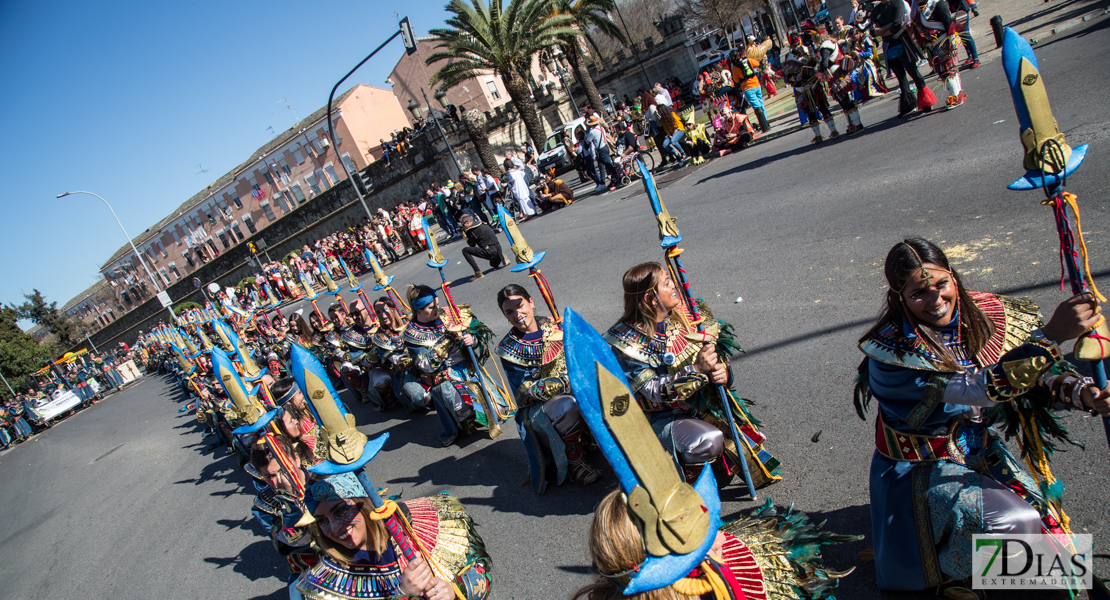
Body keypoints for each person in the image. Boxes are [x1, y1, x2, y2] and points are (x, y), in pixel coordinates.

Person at [855, 238, 1110, 593]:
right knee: (1012, 519)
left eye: (941, 285)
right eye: (918, 294)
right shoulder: (892, 354)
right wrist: (1049, 337)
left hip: (979, 451)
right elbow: (980, 388)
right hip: (921, 469)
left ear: (953, 279)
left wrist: (1083, 392)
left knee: (1041, 513)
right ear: (900, 298)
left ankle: (1033, 586)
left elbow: (1038, 378)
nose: (935, 301)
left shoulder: (983, 315)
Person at [604, 262, 780, 487]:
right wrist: (696, 371)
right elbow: (652, 392)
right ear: (649, 299)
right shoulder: (626, 342)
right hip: (664, 417)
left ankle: (706, 461)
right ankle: (686, 490)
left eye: (671, 280)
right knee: (709, 440)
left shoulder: (690, 314)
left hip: (704, 405)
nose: (675, 286)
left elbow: (719, 353)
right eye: (667, 284)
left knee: (733, 440)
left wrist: (721, 372)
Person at [296, 471, 493, 600]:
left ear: (363, 503)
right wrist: (403, 594)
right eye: (322, 520)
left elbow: (481, 573)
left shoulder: (424, 520)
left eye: (340, 510)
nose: (335, 526)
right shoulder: (324, 585)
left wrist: (455, 591)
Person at [494, 285, 601, 493]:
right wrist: (566, 382)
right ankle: (574, 461)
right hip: (539, 407)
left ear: (531, 302)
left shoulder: (554, 324)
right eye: (509, 311)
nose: (518, 314)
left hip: (573, 388)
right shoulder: (508, 349)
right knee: (568, 405)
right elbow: (528, 389)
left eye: (520, 305)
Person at [401, 284, 511, 446]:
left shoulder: (448, 315)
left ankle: (478, 414)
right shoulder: (412, 334)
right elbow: (425, 366)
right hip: (445, 377)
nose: (437, 310)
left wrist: (472, 340)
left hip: (469, 369)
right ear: (418, 309)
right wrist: (446, 343)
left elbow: (478, 334)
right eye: (431, 307)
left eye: (437, 305)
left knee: (499, 410)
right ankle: (465, 419)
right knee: (464, 409)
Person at [873, 0, 937, 117]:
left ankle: (926, 102)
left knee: (914, 73)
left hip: (902, 42)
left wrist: (882, 31)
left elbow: (897, 24)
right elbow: (873, 31)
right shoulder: (876, 10)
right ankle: (908, 105)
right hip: (888, 46)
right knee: (900, 78)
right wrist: (886, 29)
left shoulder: (897, 3)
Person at [729, 42, 773, 132]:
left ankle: (764, 126)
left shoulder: (734, 68)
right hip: (756, 84)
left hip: (747, 88)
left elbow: (736, 80)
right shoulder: (747, 59)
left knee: (756, 106)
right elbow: (757, 64)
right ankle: (765, 122)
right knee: (760, 103)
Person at [459, 213, 506, 280]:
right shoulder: (482, 223)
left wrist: (464, 235)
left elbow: (472, 244)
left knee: (465, 250)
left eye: (463, 225)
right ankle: (501, 257)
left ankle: (478, 273)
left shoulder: (472, 230)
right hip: (498, 249)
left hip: (490, 251)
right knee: (493, 264)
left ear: (467, 222)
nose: (463, 227)